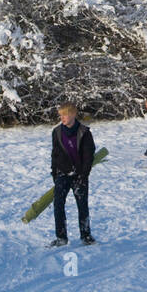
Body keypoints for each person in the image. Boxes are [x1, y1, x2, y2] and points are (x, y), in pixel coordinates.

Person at [50, 103, 95, 245]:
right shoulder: (56, 132)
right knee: (58, 205)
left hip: (79, 175)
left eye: (65, 115)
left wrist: (84, 175)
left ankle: (86, 236)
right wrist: (55, 173)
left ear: (73, 115)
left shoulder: (84, 132)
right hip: (62, 174)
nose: (62, 117)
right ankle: (61, 237)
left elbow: (89, 156)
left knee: (82, 205)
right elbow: (55, 154)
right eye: (61, 115)